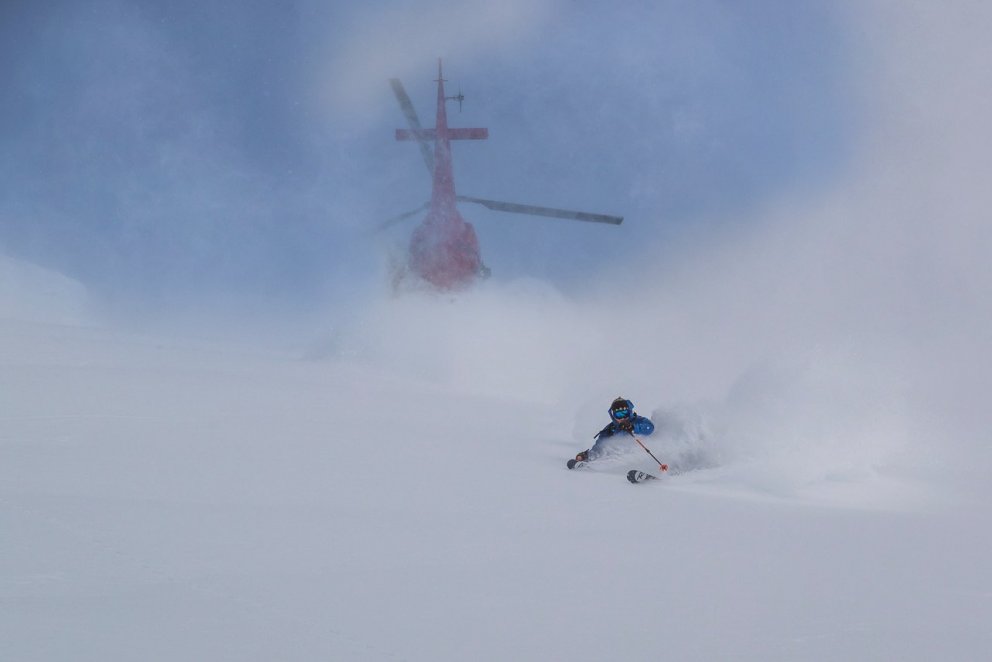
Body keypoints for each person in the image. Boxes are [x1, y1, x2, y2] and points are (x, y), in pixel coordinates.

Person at [568, 397, 655, 468]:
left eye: (625, 413)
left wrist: (633, 427)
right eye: (618, 415)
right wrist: (587, 456)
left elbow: (649, 428)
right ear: (613, 415)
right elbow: (600, 447)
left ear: (630, 412)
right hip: (624, 464)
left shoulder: (639, 421)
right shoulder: (610, 429)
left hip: (647, 458)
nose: (622, 418)